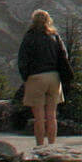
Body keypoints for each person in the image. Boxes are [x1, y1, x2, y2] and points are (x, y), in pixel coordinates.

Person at [17, 9, 73, 146]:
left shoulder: (29, 36)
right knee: (51, 116)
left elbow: (22, 59)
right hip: (54, 77)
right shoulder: (54, 36)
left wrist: (26, 76)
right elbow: (64, 56)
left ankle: (40, 147)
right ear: (48, 21)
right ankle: (52, 146)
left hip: (36, 77)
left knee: (39, 118)